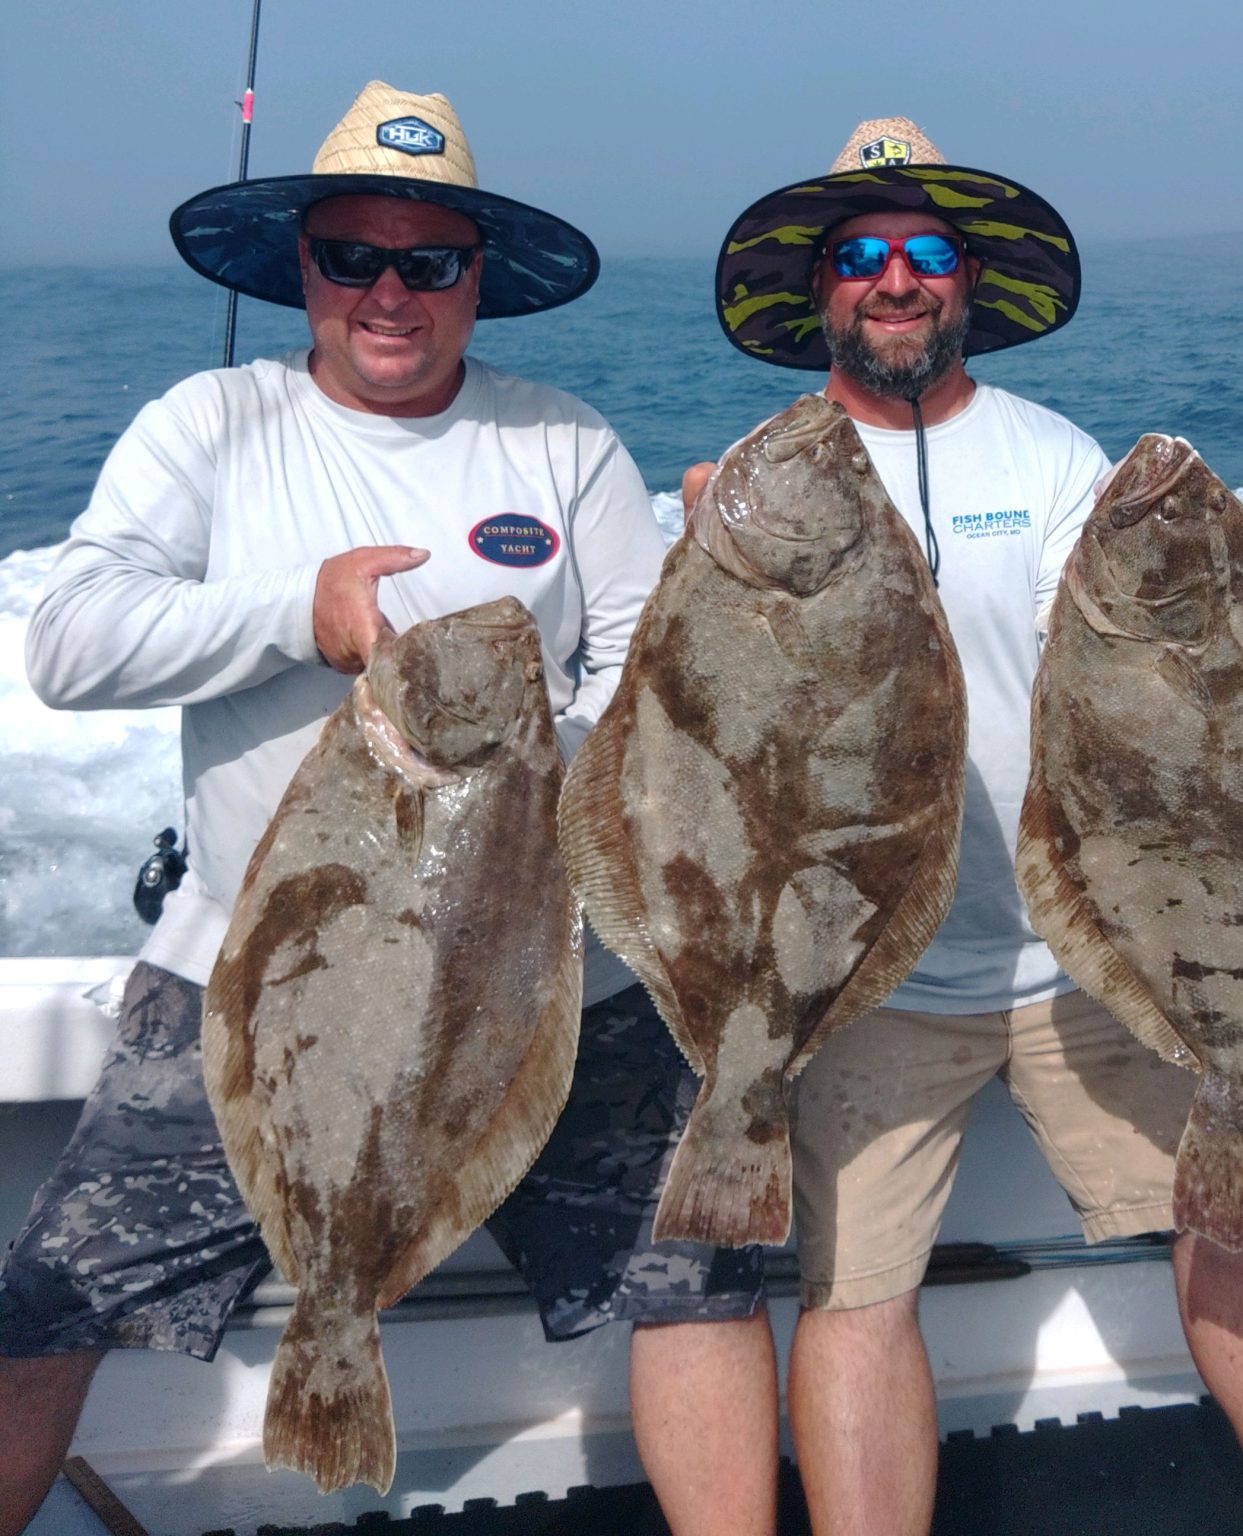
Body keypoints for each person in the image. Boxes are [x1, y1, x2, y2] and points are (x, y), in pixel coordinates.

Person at [0, 82, 766, 1533]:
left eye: (429, 261)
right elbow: (72, 637)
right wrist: (302, 612)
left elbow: (652, 681)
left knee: (696, 1272)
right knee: (44, 1298)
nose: (390, 292)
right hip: (251, 972)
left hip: (536, 970)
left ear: (480, 279)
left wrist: (546, 734)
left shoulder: (564, 443)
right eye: (354, 256)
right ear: (302, 266)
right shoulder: (211, 426)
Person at [644, 117, 1243, 1536]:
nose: (895, 280)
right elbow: (679, 748)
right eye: (860, 255)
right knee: (853, 1296)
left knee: (1234, 1222)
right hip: (861, 969)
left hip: (1087, 953)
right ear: (817, 289)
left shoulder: (1056, 462)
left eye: (925, 253)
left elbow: (1142, 680)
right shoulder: (747, 494)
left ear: (968, 281)